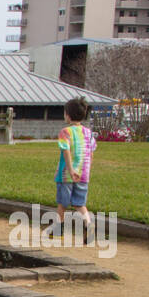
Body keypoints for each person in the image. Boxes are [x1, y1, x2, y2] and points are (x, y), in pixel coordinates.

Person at [55, 96, 97, 243]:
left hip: (66, 174)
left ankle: (58, 229)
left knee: (62, 203)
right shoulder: (89, 133)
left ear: (68, 114)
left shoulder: (65, 132)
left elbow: (66, 151)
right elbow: (91, 153)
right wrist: (86, 170)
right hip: (84, 174)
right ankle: (89, 227)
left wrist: (71, 169)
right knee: (80, 204)